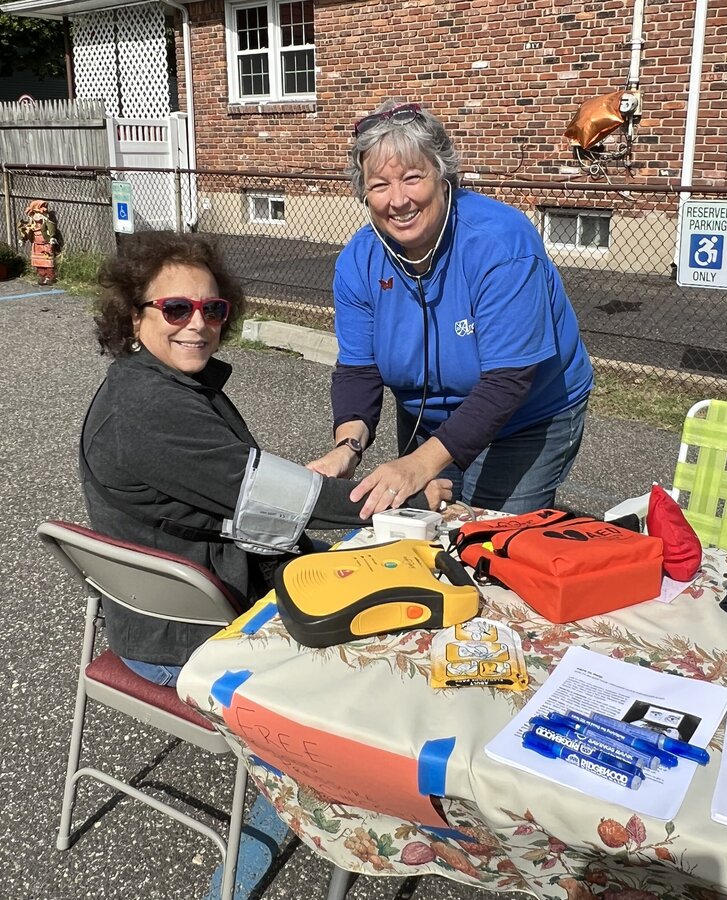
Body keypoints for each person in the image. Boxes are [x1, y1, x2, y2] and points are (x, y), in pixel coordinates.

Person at [81, 231, 450, 685]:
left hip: (179, 610)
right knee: (394, 654)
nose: (197, 324)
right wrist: (402, 494)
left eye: (212, 309)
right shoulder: (150, 407)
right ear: (134, 318)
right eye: (176, 308)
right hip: (192, 634)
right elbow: (276, 498)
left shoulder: (154, 384)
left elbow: (246, 484)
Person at [309, 100, 595, 518]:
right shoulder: (358, 259)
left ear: (443, 175)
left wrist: (419, 464)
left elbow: (507, 381)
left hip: (527, 415)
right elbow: (359, 368)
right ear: (363, 192)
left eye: (412, 178)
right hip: (426, 413)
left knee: (493, 539)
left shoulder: (501, 244)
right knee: (423, 529)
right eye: (379, 185)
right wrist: (347, 447)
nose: (398, 200)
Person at [18, 199, 58, 285]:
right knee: (39, 262)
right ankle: (42, 276)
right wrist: (22, 239)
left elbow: (52, 229)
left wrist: (52, 237)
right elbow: (26, 231)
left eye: (39, 214)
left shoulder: (47, 223)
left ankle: (50, 276)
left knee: (48, 261)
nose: (37, 216)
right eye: (35, 214)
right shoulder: (31, 225)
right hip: (36, 245)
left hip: (45, 245)